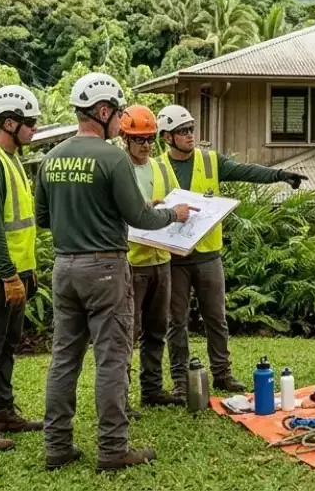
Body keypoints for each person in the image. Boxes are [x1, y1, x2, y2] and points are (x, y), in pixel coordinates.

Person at [35, 73, 194, 473]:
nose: (121, 121)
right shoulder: (113, 158)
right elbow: (139, 217)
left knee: (64, 358)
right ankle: (112, 449)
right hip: (105, 268)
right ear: (102, 111)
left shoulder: (52, 158)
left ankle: (57, 446)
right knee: (111, 358)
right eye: (119, 113)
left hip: (64, 266)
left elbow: (43, 219)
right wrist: (172, 214)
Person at [154, 104, 307, 399]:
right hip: (174, 257)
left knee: (216, 317)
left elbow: (245, 171)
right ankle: (181, 381)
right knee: (176, 322)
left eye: (191, 129)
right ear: (167, 137)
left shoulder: (210, 161)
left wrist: (280, 175)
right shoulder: (157, 167)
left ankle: (222, 374)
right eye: (182, 131)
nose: (189, 135)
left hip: (208, 254)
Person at [0, 86, 44, 452]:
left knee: (6, 346)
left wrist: (26, 271)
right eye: (30, 122)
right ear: (9, 122)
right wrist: (8, 274)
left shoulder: (11, 158)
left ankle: (1, 412)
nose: (35, 128)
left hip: (15, 273)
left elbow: (20, 225)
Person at [120, 105, 180, 409]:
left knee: (156, 330)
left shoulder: (160, 167)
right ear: (125, 139)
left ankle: (152, 390)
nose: (146, 145)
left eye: (149, 139)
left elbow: (175, 200)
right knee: (127, 334)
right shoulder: (118, 168)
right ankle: (121, 398)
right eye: (139, 139)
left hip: (161, 259)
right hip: (132, 262)